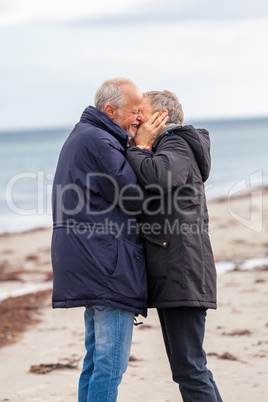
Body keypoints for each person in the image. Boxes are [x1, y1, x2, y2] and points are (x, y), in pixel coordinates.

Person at [51, 78, 167, 402]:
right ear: (110, 110)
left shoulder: (87, 135)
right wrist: (142, 148)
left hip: (91, 260)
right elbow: (136, 199)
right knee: (110, 365)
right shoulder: (101, 142)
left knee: (96, 360)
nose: (141, 120)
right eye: (135, 112)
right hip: (106, 266)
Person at [126, 90, 223, 401]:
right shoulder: (170, 145)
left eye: (142, 112)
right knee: (190, 369)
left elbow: (159, 176)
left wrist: (139, 147)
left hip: (183, 271)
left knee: (190, 370)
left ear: (161, 117)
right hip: (177, 270)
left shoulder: (176, 141)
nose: (137, 118)